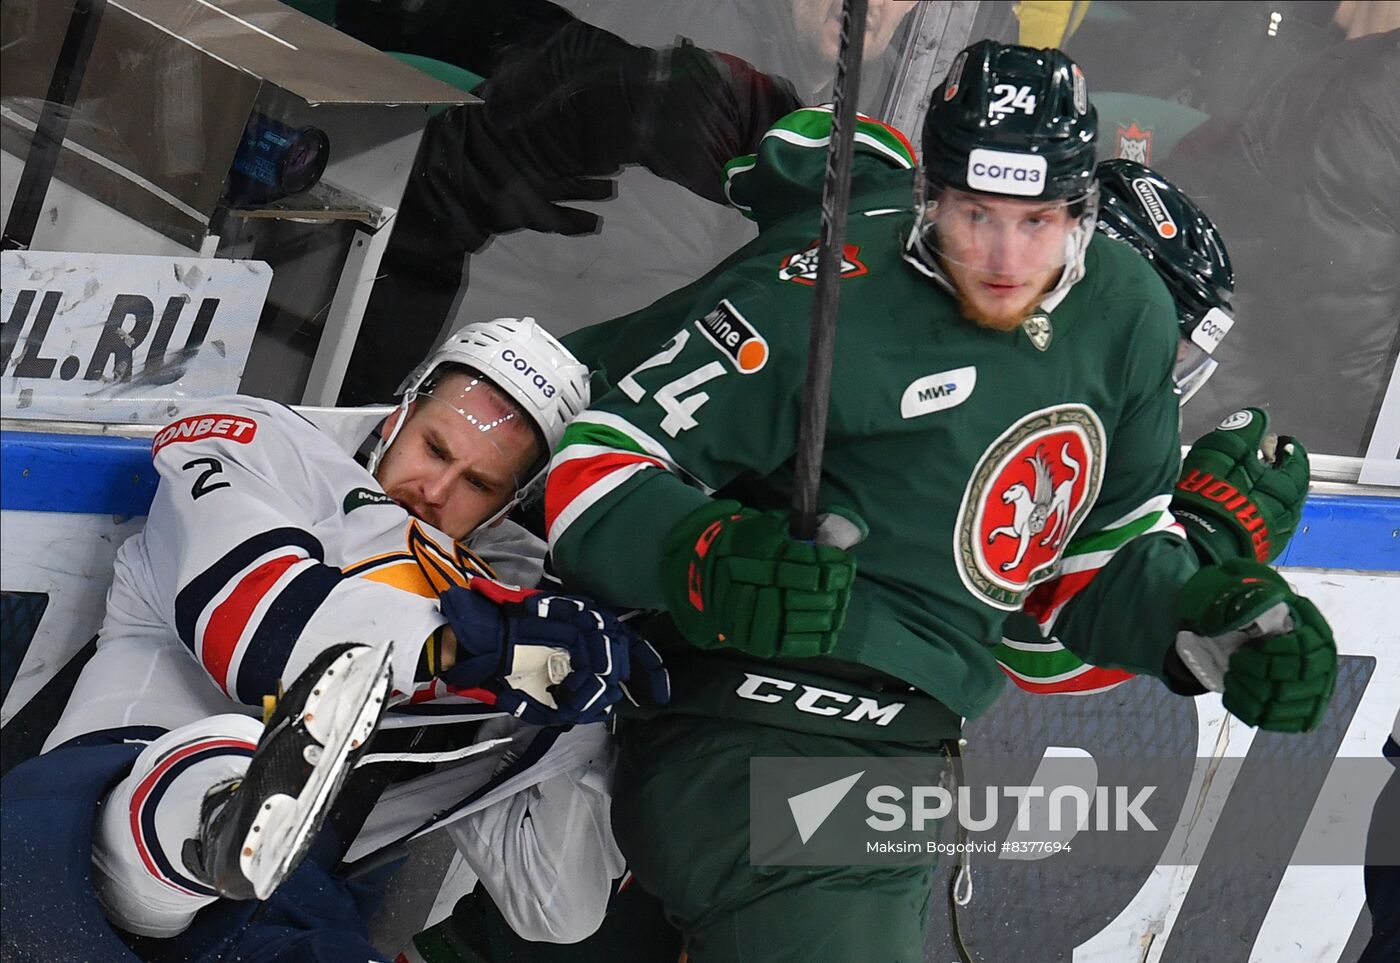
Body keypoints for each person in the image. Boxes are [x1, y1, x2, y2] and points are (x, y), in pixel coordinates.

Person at [541, 41, 1337, 959]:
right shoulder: (827, 286)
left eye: (1037, 220)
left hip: (909, 759)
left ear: (1081, 212)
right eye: (975, 215)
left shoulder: (1125, 316)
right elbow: (598, 468)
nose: (1004, 255)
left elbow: (1085, 576)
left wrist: (1215, 609)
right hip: (744, 719)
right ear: (931, 194)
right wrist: (709, 552)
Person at [0, 319, 669, 962]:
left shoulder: (524, 613)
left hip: (293, 918)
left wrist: (586, 712)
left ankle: (236, 836)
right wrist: (466, 650)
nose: (435, 490)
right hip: (81, 833)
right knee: (218, 763)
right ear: (398, 414)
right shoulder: (269, 444)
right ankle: (221, 825)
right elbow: (258, 635)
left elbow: (556, 906)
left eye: (479, 484)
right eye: (435, 448)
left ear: (508, 503)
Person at [993, 158, 1311, 694]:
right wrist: (1212, 544)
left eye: (1177, 360)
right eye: (1156, 350)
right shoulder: (972, 386)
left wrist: (1178, 552)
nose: (1161, 385)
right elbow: (1036, 656)